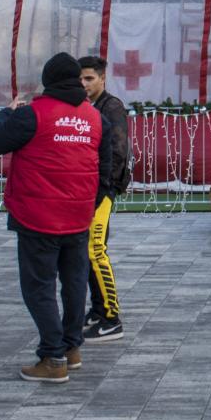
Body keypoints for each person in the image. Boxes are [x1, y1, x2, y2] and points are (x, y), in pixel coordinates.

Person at [0, 52, 111, 383]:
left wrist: (4, 114)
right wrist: (89, 202)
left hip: (37, 216)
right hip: (79, 215)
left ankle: (52, 357)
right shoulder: (95, 118)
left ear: (48, 80)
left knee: (39, 286)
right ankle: (71, 348)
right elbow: (105, 167)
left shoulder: (33, 115)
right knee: (73, 284)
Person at [77, 56, 131, 344]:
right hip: (87, 189)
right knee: (87, 251)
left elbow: (118, 152)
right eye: (81, 79)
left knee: (95, 249)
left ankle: (111, 318)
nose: (84, 84)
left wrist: (103, 190)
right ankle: (98, 309)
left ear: (102, 79)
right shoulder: (84, 108)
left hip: (102, 190)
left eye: (89, 79)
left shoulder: (111, 107)